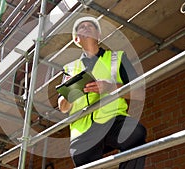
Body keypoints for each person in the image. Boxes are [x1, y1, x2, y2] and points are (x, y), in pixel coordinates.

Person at [57, 16, 147, 168]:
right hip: (83, 132)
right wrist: (71, 89)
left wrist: (110, 88)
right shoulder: (69, 69)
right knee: (84, 162)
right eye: (81, 27)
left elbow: (139, 93)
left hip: (113, 120)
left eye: (89, 26)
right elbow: (63, 107)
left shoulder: (117, 58)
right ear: (76, 40)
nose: (85, 28)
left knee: (136, 134)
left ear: (98, 35)